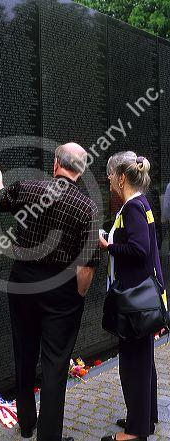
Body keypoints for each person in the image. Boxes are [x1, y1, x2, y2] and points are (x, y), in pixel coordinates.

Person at [0, 142, 99, 441]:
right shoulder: (87, 208)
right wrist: (77, 296)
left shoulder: (29, 189)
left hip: (23, 282)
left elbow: (0, 200)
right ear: (82, 169)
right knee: (55, 364)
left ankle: (26, 424)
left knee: (24, 353)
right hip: (61, 289)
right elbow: (87, 266)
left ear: (55, 163)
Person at [99, 151, 166, 441]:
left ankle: (136, 431)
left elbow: (139, 250)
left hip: (135, 303)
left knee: (133, 365)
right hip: (144, 299)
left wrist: (107, 246)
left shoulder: (132, 208)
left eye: (111, 175)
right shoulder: (142, 203)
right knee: (143, 361)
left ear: (122, 177)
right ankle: (145, 419)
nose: (109, 179)